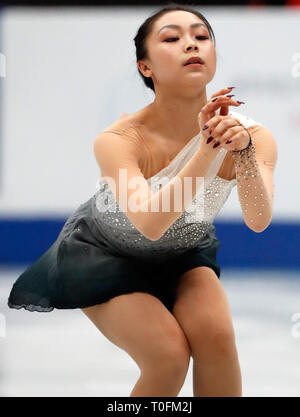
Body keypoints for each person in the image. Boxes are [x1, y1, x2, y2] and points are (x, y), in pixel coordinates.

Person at [7, 3, 278, 397]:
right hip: (103, 255)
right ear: (145, 67)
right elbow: (150, 225)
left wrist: (245, 155)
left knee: (217, 339)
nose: (191, 45)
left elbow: (258, 219)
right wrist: (206, 151)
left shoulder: (251, 136)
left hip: (183, 254)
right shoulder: (119, 140)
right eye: (172, 38)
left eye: (201, 36)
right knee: (168, 356)